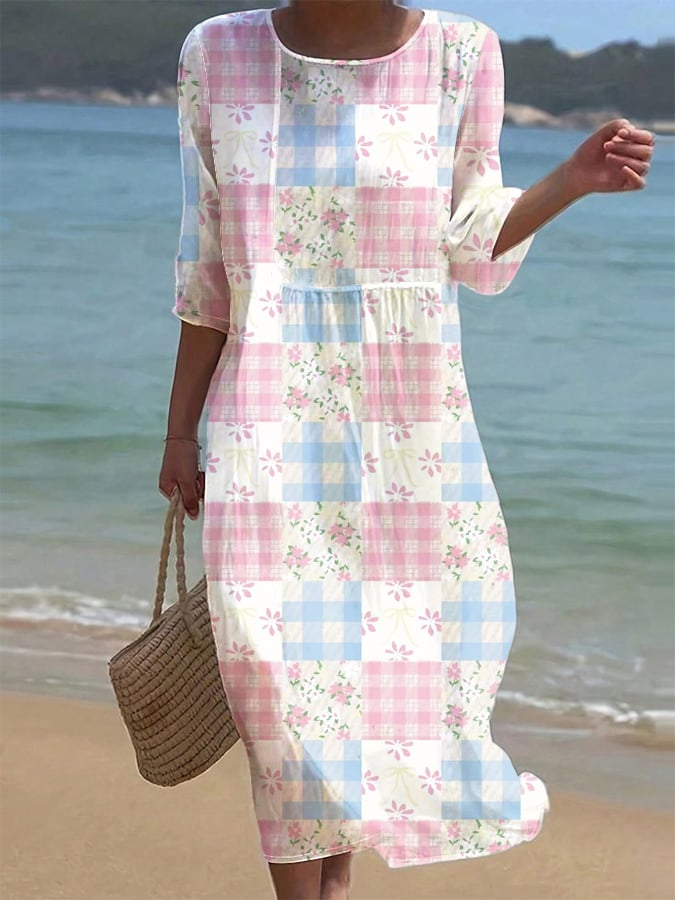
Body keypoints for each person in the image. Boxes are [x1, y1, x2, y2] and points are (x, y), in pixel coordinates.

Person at [158, 2, 654, 898]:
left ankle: (332, 883)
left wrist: (570, 181)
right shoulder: (218, 51)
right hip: (263, 408)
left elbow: (470, 238)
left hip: (408, 421)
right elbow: (209, 264)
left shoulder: (461, 52)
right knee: (270, 676)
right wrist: (178, 429)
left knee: (377, 675)